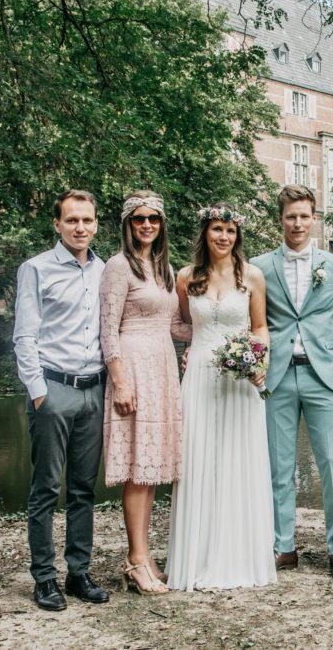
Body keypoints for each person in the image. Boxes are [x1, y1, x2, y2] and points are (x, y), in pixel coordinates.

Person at [165, 202, 276, 591]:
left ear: (237, 235)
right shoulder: (185, 278)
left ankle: (238, 555)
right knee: (199, 458)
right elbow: (180, 323)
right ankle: (196, 556)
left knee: (237, 458)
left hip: (240, 381)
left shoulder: (253, 278)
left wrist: (258, 361)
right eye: (216, 230)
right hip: (197, 379)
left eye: (229, 231)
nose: (223, 237)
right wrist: (192, 347)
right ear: (205, 234)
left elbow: (261, 327)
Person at [250, 185, 333, 582]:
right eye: (290, 216)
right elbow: (245, 317)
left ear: (315, 218)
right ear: (281, 219)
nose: (297, 223)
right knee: (279, 466)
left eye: (304, 216)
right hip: (275, 375)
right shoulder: (259, 265)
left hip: (324, 375)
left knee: (332, 464)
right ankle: (284, 547)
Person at [13, 189, 111, 611]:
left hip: (95, 389)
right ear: (57, 224)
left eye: (87, 220)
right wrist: (39, 394)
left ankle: (78, 573)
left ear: (95, 223)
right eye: (72, 220)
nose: (80, 227)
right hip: (54, 389)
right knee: (46, 488)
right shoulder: (36, 269)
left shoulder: (106, 270)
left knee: (84, 489)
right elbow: (24, 336)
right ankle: (43, 578)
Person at [99, 191, 192, 595]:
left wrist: (219, 336)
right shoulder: (118, 267)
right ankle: (136, 560)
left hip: (163, 368)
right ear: (127, 223)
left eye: (154, 218)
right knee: (138, 468)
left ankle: (145, 555)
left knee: (152, 467)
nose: (147, 225)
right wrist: (119, 378)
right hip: (134, 368)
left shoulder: (164, 268)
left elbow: (174, 325)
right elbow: (107, 328)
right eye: (139, 219)